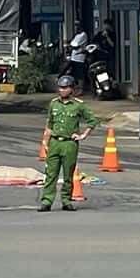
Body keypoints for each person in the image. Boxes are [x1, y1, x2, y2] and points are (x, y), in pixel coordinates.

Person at [39, 75, 99, 213]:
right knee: (50, 174)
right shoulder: (54, 104)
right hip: (55, 142)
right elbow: (49, 124)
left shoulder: (78, 105)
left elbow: (92, 121)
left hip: (69, 144)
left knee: (68, 174)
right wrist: (45, 142)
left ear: (72, 89)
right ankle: (46, 201)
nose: (63, 90)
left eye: (66, 88)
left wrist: (83, 135)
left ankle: (66, 200)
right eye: (60, 88)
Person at [69, 22, 89, 89]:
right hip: (73, 57)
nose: (76, 28)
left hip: (80, 58)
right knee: (74, 73)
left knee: (80, 74)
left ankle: (81, 88)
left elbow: (76, 45)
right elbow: (72, 44)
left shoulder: (83, 35)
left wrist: (72, 46)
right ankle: (76, 87)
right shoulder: (77, 35)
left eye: (77, 26)